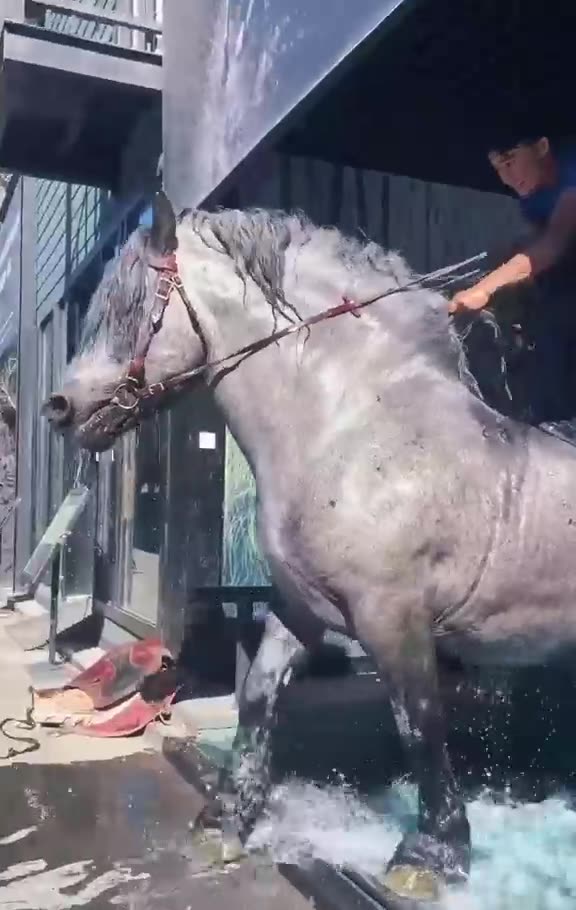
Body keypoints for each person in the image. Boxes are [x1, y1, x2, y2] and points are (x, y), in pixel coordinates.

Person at [450, 134, 576, 424]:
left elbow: (553, 244)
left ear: (543, 146)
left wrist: (483, 289)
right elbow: (546, 236)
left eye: (510, 162)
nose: (506, 177)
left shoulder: (572, 175)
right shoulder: (533, 193)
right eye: (497, 168)